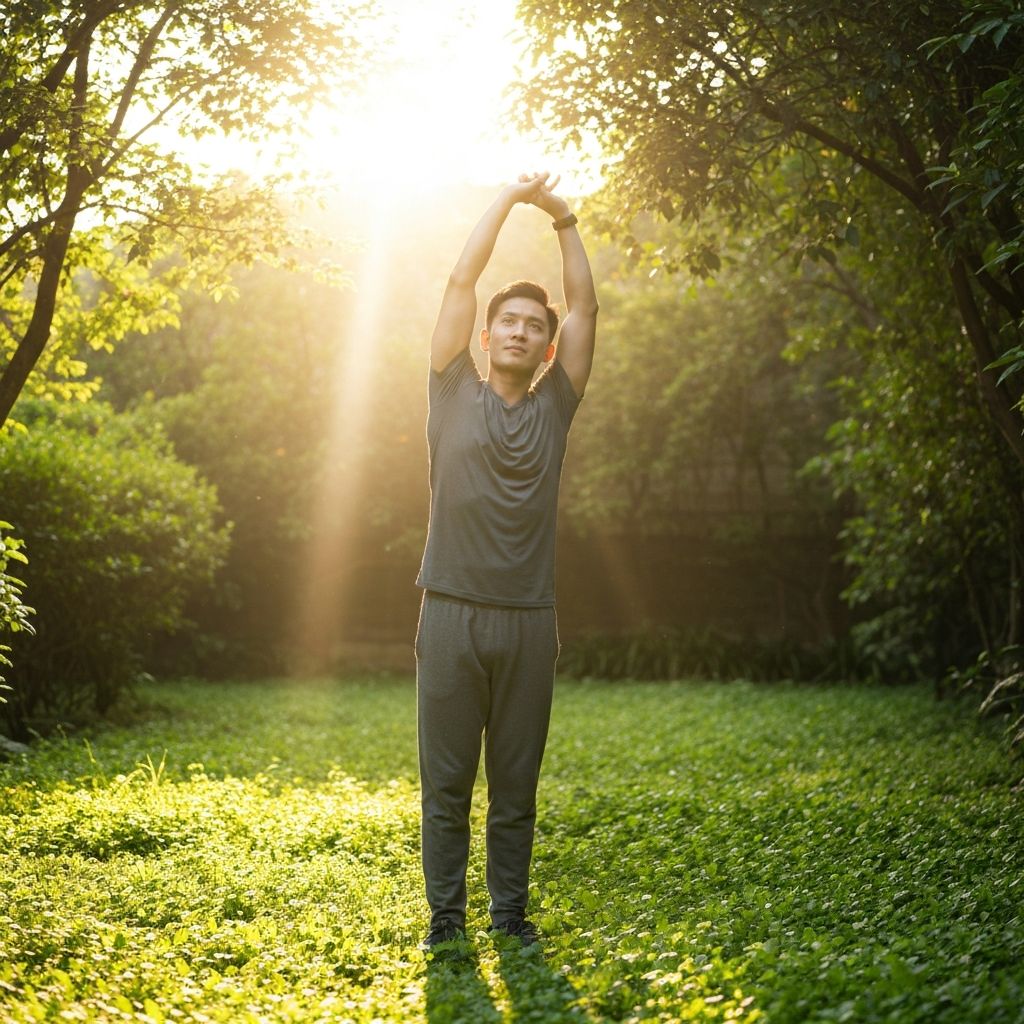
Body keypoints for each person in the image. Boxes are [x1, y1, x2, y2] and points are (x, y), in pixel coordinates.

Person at [415, 171, 598, 953]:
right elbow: (461, 280)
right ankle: (446, 920)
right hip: (449, 613)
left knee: (516, 787)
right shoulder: (451, 389)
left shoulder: (557, 404)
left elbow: (586, 308)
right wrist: (504, 199)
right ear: (486, 339)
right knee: (447, 785)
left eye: (534, 326)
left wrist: (562, 218)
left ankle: (510, 916)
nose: (520, 332)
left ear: (547, 347)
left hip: (529, 620)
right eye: (508, 323)